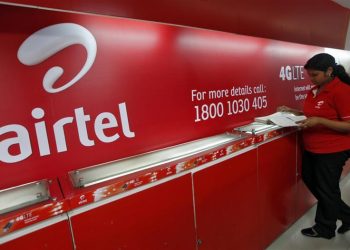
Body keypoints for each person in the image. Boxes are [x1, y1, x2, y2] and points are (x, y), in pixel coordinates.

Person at [278, 53, 350, 239]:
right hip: (313, 148)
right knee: (314, 182)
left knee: (327, 189)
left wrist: (320, 121)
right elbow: (315, 112)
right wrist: (294, 112)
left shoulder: (341, 91)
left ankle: (325, 228)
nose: (311, 79)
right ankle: (347, 216)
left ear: (329, 71)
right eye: (309, 75)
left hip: (333, 150)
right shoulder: (315, 90)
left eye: (315, 75)